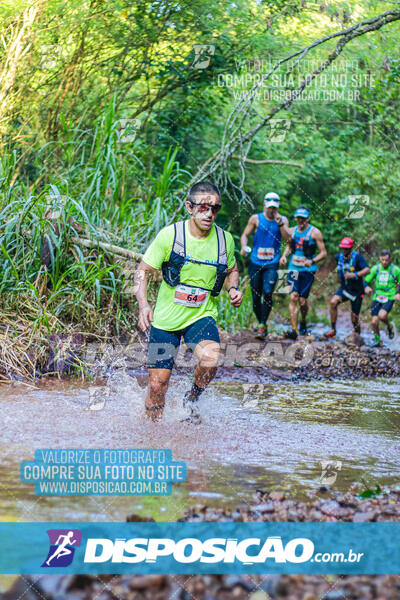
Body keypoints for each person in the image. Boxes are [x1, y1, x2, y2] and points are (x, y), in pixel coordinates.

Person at [135, 181, 243, 424]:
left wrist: (233, 288)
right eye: (203, 207)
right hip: (166, 319)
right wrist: (143, 304)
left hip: (200, 316)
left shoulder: (225, 240)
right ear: (189, 207)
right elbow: (142, 271)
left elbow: (232, 269)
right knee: (157, 384)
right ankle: (153, 433)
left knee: (211, 358)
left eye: (215, 208)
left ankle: (191, 398)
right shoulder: (171, 235)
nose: (209, 214)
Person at [240, 192, 291, 340]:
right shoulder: (255, 219)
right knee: (256, 296)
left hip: (272, 262)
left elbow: (289, 241)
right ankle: (261, 322)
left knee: (268, 291)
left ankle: (262, 325)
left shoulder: (283, 220)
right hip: (256, 261)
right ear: (264, 205)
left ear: (278, 207)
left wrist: (283, 256)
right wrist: (244, 246)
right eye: (270, 207)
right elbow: (245, 235)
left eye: (274, 208)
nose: (272, 210)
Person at [281, 205, 326, 340]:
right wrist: (284, 256)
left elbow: (324, 253)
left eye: (303, 218)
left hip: (308, 270)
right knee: (293, 296)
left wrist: (312, 261)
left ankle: (303, 320)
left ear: (308, 218)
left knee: (302, 300)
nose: (301, 221)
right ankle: (294, 330)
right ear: (295, 218)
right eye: (298, 218)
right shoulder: (292, 231)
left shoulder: (315, 232)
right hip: (293, 268)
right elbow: (289, 245)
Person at [325, 237, 370, 339]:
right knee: (333, 302)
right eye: (343, 248)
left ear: (351, 248)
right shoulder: (338, 257)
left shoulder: (358, 257)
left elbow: (367, 269)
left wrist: (354, 275)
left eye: (346, 248)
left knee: (354, 318)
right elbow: (338, 269)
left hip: (357, 291)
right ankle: (333, 330)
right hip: (345, 288)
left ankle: (358, 336)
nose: (344, 250)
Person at [364, 249, 400, 347]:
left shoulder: (395, 270)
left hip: (389, 297)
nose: (384, 262)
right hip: (377, 297)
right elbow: (366, 280)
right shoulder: (376, 268)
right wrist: (366, 287)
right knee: (374, 321)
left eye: (386, 260)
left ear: (390, 259)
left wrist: (398, 293)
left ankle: (389, 326)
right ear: (380, 258)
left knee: (382, 315)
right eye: (382, 260)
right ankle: (378, 342)